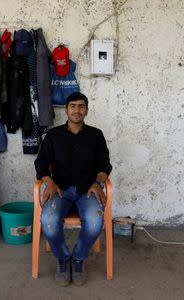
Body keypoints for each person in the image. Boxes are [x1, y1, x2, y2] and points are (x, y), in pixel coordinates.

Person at [34, 92, 112, 286]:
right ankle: (62, 259)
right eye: (73, 106)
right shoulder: (53, 135)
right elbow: (41, 162)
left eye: (81, 106)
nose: (77, 110)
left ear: (86, 110)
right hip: (59, 190)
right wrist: (49, 182)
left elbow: (104, 165)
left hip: (87, 191)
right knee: (49, 221)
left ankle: (78, 259)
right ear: (67, 109)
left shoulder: (96, 135)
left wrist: (98, 183)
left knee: (95, 221)